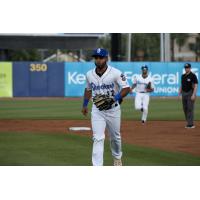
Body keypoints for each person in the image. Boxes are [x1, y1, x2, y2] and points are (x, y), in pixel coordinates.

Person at [81, 48, 130, 166]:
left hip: (113, 109)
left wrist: (114, 98)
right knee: (98, 138)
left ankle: (117, 157)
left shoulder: (116, 73)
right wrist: (85, 104)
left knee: (115, 137)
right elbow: (88, 89)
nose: (98, 60)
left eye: (100, 57)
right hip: (97, 110)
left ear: (106, 58)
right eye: (96, 57)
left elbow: (126, 88)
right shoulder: (89, 74)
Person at [179, 63, 198, 128]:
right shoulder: (183, 76)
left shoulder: (193, 75)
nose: (186, 69)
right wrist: (179, 92)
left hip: (190, 93)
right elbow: (182, 85)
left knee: (190, 108)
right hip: (183, 93)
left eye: (187, 68)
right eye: (185, 68)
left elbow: (195, 85)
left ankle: (191, 124)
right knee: (185, 108)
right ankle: (188, 121)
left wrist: (193, 94)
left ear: (190, 68)